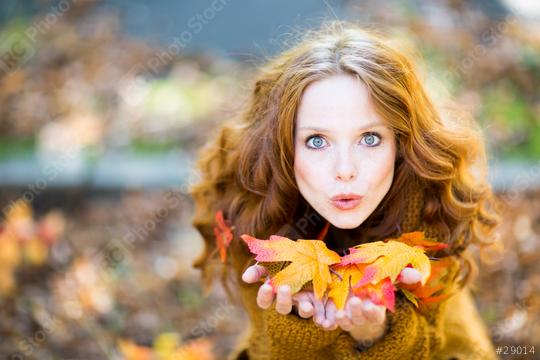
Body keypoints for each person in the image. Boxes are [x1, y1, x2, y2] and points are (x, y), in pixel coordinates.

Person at [189, 20, 501, 360]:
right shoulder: (252, 200)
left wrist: (375, 335)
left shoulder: (432, 198)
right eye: (317, 141)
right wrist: (295, 329)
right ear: (282, 147)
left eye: (369, 139)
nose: (345, 170)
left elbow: (430, 345)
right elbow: (266, 347)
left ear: (400, 143)